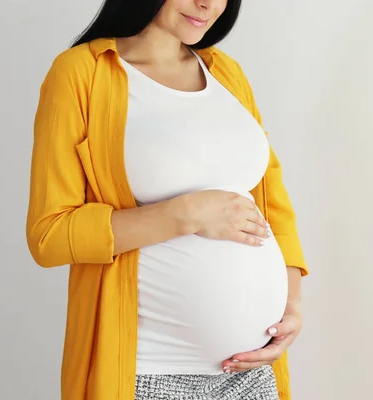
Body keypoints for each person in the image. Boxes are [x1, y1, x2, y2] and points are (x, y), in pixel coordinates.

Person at [26, 1, 309, 399]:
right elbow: (50, 234)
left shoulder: (226, 72)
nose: (207, 3)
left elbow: (272, 199)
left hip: (252, 371)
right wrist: (184, 214)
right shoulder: (82, 72)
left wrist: (292, 303)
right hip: (149, 373)